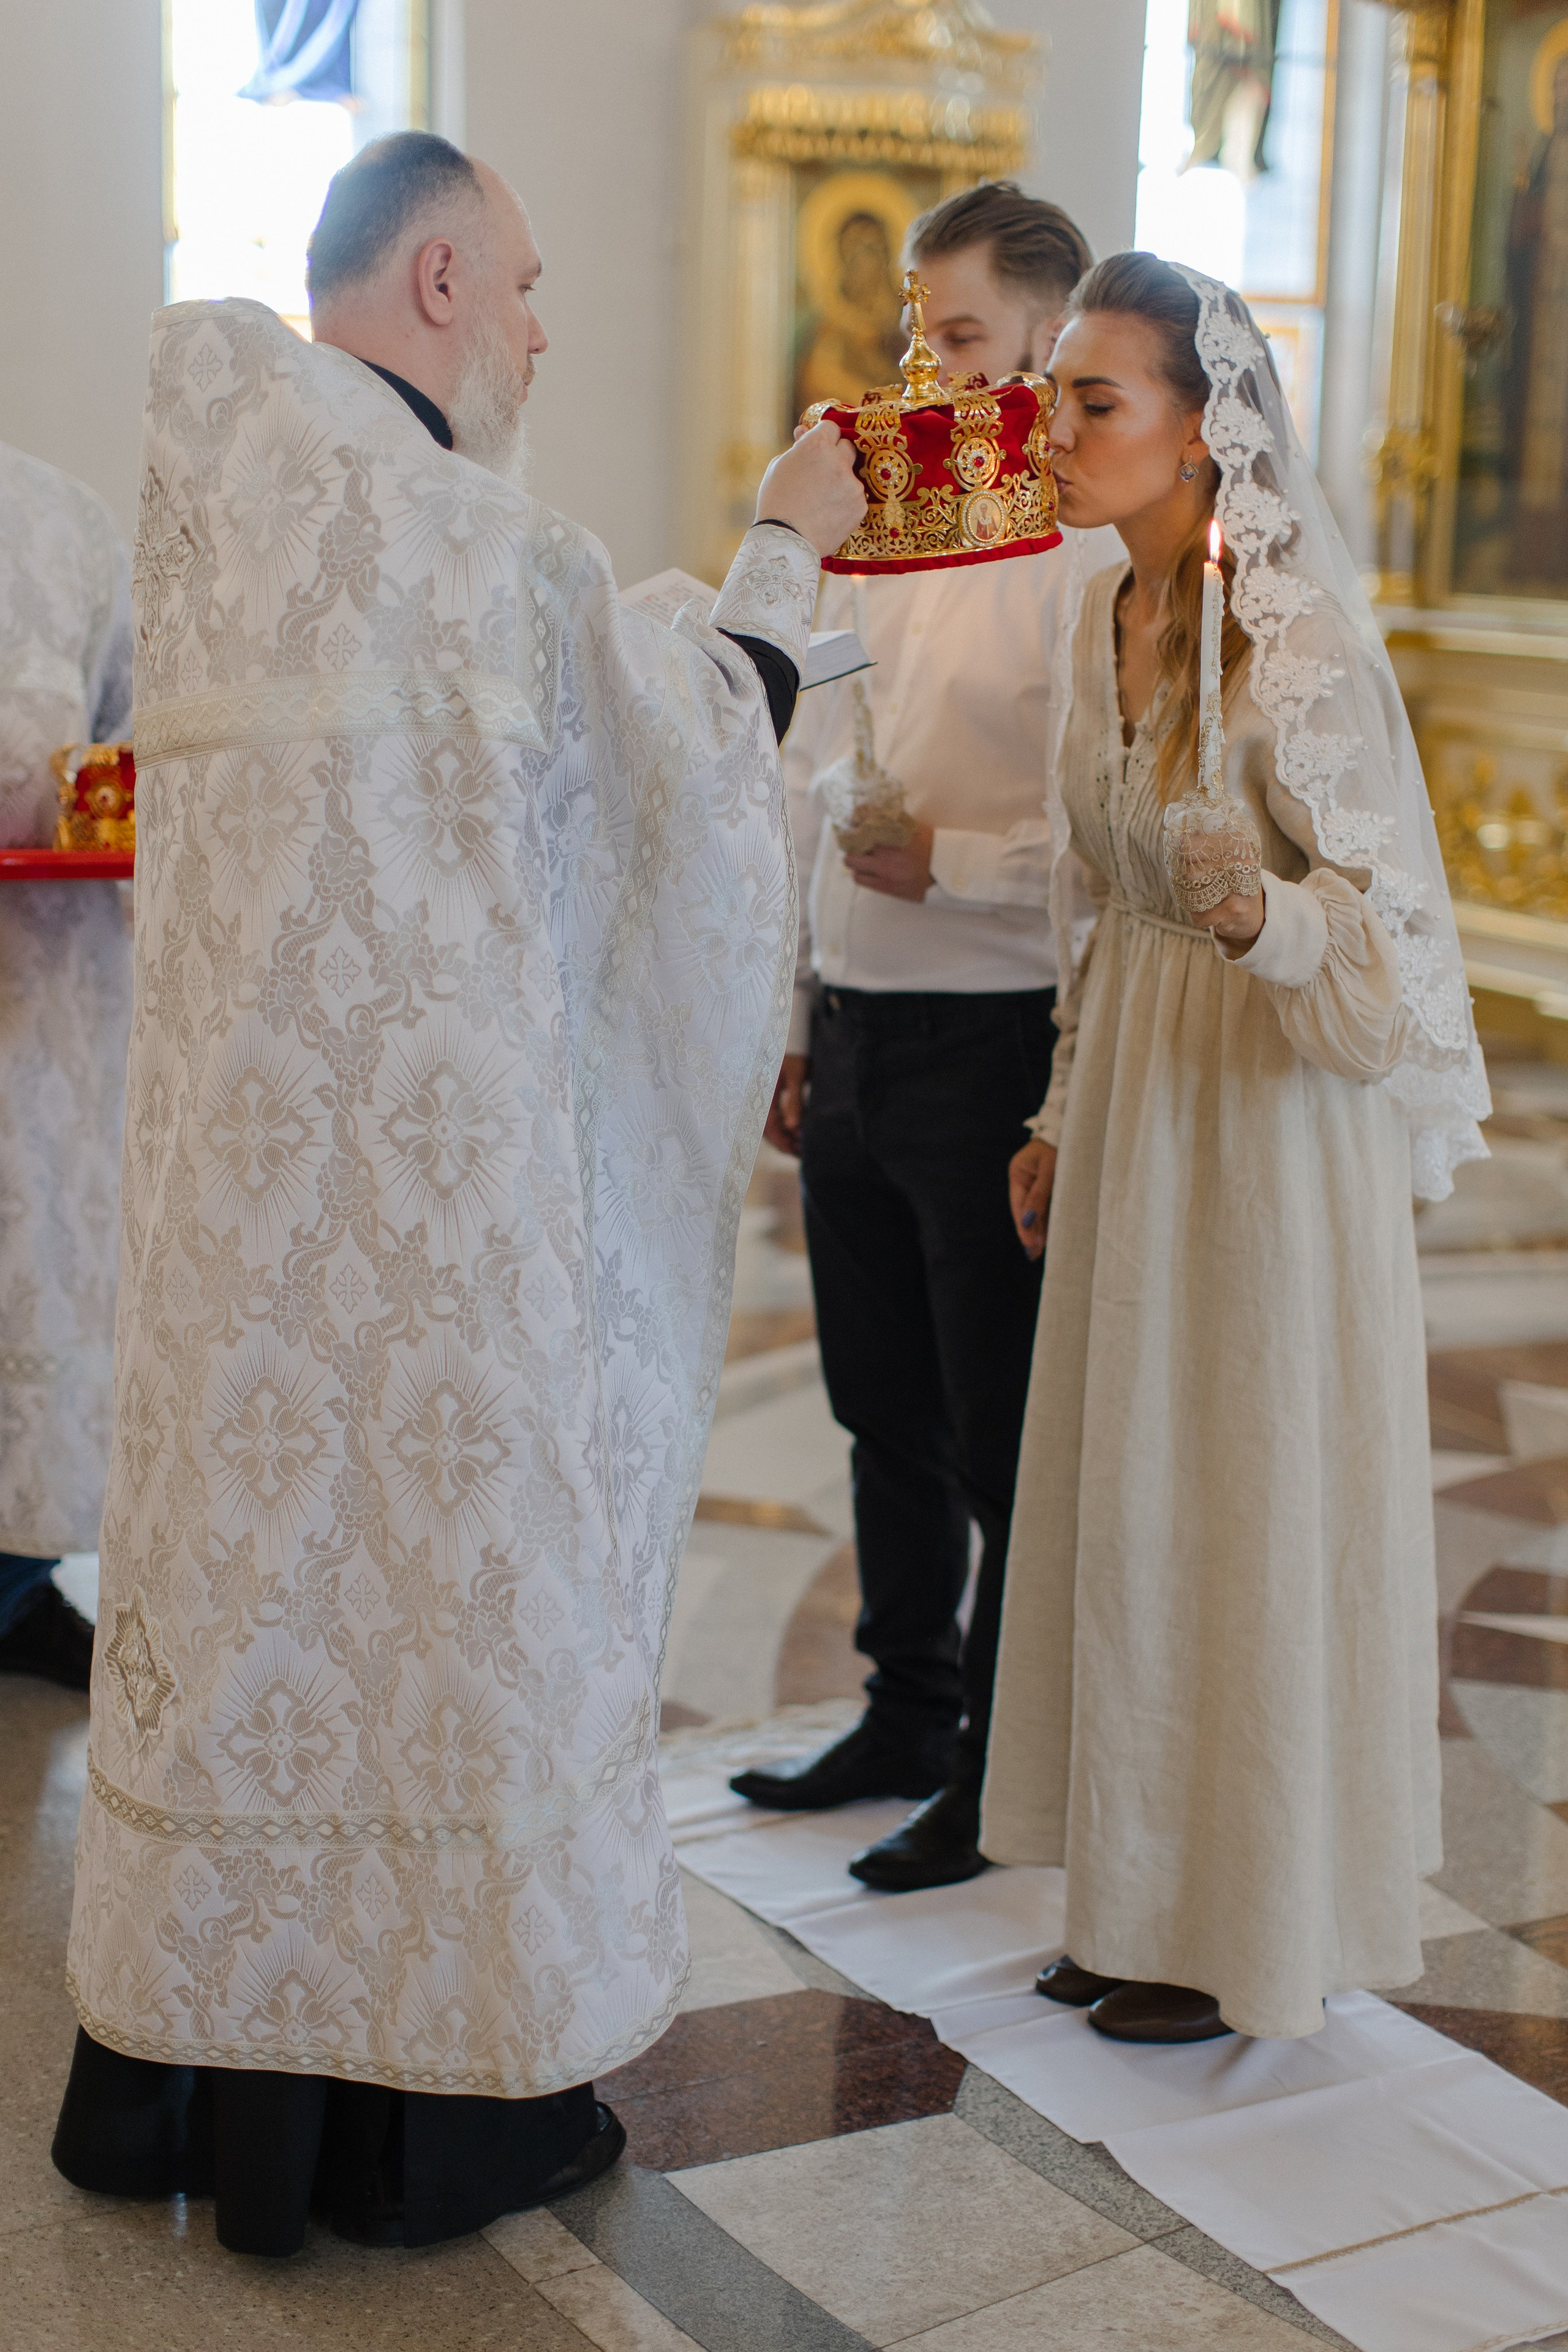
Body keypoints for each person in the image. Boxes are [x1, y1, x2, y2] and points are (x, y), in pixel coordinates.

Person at [53, 129, 864, 2253]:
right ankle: (417, 2132)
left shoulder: (218, 521)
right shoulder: (476, 545)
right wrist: (784, 553)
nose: (536, 327)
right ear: (434, 283)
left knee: (264, 1631)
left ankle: (199, 2096)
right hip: (437, 1260)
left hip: (236, 1252)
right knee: (431, 1632)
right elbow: (683, 777)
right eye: (520, 283)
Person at [984, 253, 1489, 2044]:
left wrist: (1266, 916)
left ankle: (1243, 1922)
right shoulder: (1095, 616)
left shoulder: (1301, 648)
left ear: (1203, 432)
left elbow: (1389, 973)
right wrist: (1060, 1106)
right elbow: (1097, 905)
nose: (1053, 433)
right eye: (1051, 396)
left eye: (1093, 401)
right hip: (1143, 1098)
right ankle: (1134, 1889)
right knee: (1135, 1494)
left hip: (1269, 1129)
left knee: (1237, 1500)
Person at [730, 184, 1117, 1894]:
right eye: (914, 328)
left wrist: (943, 864)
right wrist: (796, 1006)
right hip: (860, 1024)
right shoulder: (885, 521)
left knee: (994, 1420)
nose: (924, 364)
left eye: (959, 333)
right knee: (878, 1403)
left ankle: (996, 1764)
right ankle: (905, 1707)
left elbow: (1104, 836)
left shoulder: (1083, 556)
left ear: (1048, 334)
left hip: (993, 1033)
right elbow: (818, 771)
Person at [0, 443, 134, 1693]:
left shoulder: (65, 516)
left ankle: (23, 1582)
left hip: (46, 988)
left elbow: (135, 722)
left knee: (38, 1288)